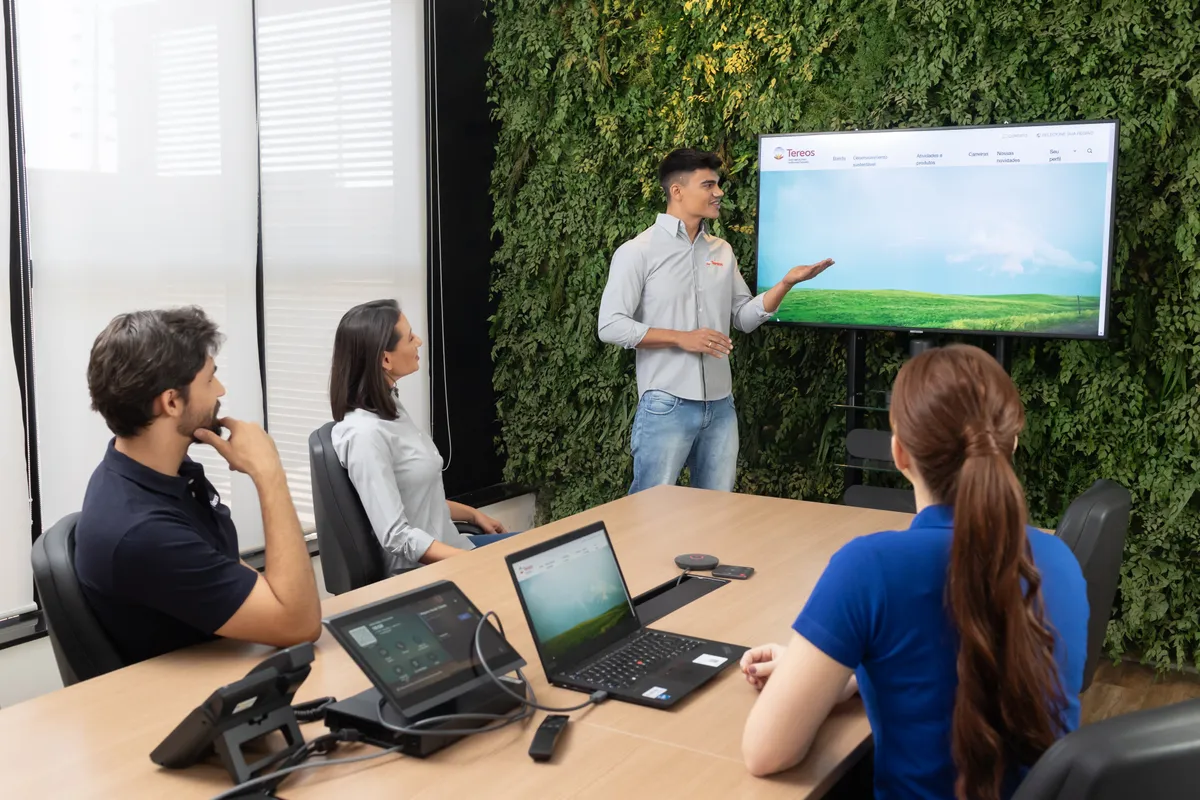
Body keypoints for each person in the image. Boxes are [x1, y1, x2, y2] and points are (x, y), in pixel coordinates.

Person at [740, 345, 1088, 800]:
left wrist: (811, 677)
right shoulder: (1059, 559)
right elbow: (956, 668)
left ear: (899, 453)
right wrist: (836, 677)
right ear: (1013, 443)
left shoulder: (869, 568)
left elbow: (765, 753)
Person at [75, 307, 322, 666]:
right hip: (192, 705)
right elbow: (299, 623)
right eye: (210, 380)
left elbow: (248, 584)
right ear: (172, 401)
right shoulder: (143, 532)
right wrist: (269, 474)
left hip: (233, 660)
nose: (221, 390)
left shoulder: (156, 474)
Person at [598, 147, 834, 494]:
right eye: (708, 185)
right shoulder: (637, 251)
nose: (719, 192)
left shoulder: (721, 250)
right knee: (647, 514)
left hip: (722, 406)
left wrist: (786, 283)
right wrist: (682, 338)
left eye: (718, 184)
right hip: (666, 403)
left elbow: (743, 317)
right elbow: (610, 325)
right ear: (677, 191)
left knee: (717, 514)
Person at [329, 299, 514, 573]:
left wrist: (474, 514)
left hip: (457, 548)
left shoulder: (390, 408)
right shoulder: (364, 435)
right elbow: (397, 536)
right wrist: (472, 563)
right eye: (410, 337)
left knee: (545, 549)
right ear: (385, 358)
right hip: (426, 573)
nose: (419, 342)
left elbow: (418, 498)